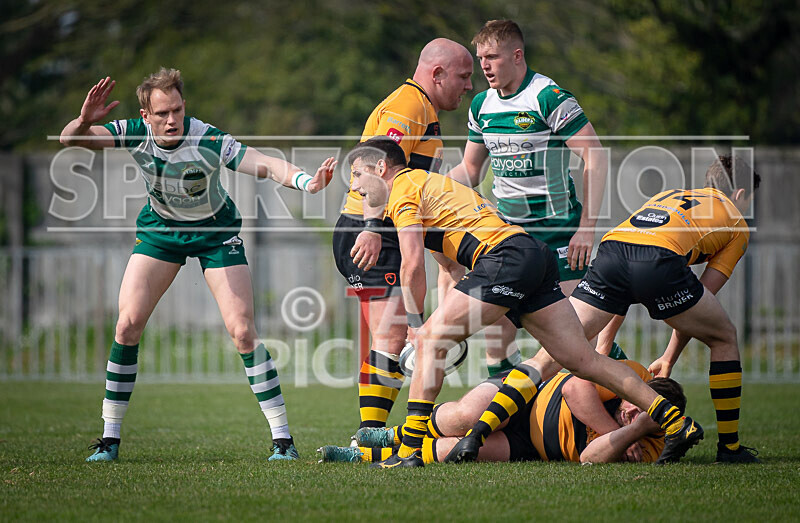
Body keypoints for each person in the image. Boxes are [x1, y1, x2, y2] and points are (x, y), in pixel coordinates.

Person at [346, 137, 702, 469]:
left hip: (503, 258)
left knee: (430, 340)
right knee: (583, 359)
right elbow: (450, 261)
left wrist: (416, 322)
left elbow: (411, 264)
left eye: (357, 174)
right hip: (533, 254)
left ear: (381, 169)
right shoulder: (429, 185)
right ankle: (674, 419)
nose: (355, 186)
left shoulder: (404, 188)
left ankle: (408, 451)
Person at [59, 69, 337, 462]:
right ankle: (109, 440)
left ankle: (283, 443)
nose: (171, 120)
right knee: (126, 325)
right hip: (161, 233)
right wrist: (85, 120)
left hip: (216, 233)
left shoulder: (206, 138)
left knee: (242, 332)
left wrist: (307, 182)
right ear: (146, 115)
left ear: (184, 106)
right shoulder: (133, 131)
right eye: (161, 113)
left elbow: (266, 163)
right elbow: (73, 139)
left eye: (176, 109)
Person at [332, 38, 520, 434]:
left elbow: (412, 194)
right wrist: (370, 228)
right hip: (372, 230)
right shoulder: (408, 105)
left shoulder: (423, 109)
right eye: (464, 76)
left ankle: (374, 435)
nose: (469, 85)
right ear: (437, 74)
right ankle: (368, 438)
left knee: (396, 334)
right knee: (391, 333)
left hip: (386, 228)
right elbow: (373, 166)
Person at [568, 154, 761, 464]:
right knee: (724, 336)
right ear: (740, 195)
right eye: (748, 201)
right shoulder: (736, 223)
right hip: (657, 260)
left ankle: (493, 417)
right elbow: (701, 299)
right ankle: (730, 448)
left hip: (611, 248)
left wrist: (604, 344)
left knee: (562, 345)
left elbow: (631, 263)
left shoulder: (668, 196)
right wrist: (669, 357)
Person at [320, 360, 687, 465]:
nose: (630, 411)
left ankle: (364, 455)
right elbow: (575, 388)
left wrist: (634, 432)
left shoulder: (652, 446)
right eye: (634, 403)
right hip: (527, 396)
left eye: (640, 415)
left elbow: (590, 457)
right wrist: (615, 431)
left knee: (456, 452)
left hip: (533, 446)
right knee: (465, 417)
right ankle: (396, 435)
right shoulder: (636, 376)